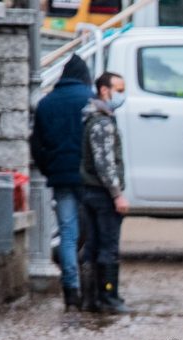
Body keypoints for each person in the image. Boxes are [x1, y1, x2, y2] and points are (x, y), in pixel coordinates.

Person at [30, 54, 93, 311]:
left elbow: (36, 144)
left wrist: (49, 170)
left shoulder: (46, 103)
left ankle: (71, 291)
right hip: (89, 180)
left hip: (60, 177)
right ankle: (94, 288)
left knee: (67, 234)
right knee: (92, 232)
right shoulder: (90, 101)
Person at [79, 72, 131, 314]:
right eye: (118, 89)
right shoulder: (102, 122)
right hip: (102, 195)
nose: (122, 94)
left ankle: (91, 298)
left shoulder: (93, 117)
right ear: (104, 90)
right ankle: (108, 297)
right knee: (107, 246)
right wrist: (117, 194)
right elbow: (105, 164)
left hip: (91, 192)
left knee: (93, 245)